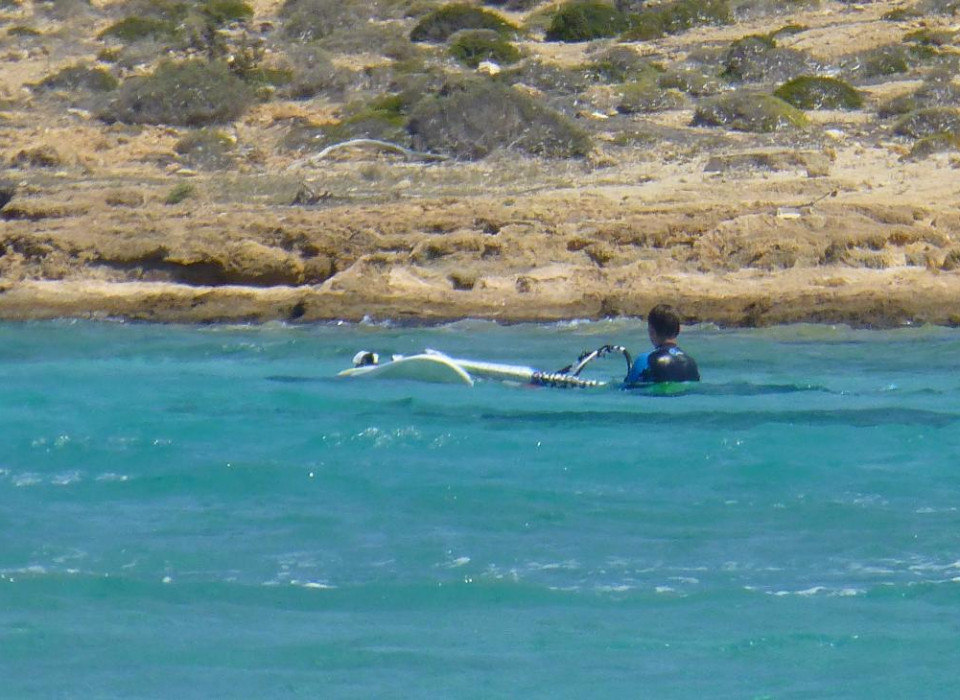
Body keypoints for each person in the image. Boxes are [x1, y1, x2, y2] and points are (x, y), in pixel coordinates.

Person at [624, 303, 700, 385]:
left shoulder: (645, 360)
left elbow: (628, 388)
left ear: (652, 331)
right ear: (678, 330)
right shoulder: (691, 363)